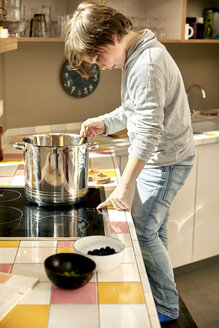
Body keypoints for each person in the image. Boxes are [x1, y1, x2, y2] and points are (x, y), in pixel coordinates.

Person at [65, 1, 195, 323]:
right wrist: (104, 122)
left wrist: (124, 187)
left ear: (111, 35)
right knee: (156, 230)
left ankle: (165, 306)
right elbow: (136, 110)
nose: (101, 66)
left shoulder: (147, 63)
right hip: (162, 158)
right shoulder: (139, 56)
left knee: (144, 230)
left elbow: (149, 131)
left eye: (97, 57)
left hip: (166, 161)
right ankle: (158, 292)